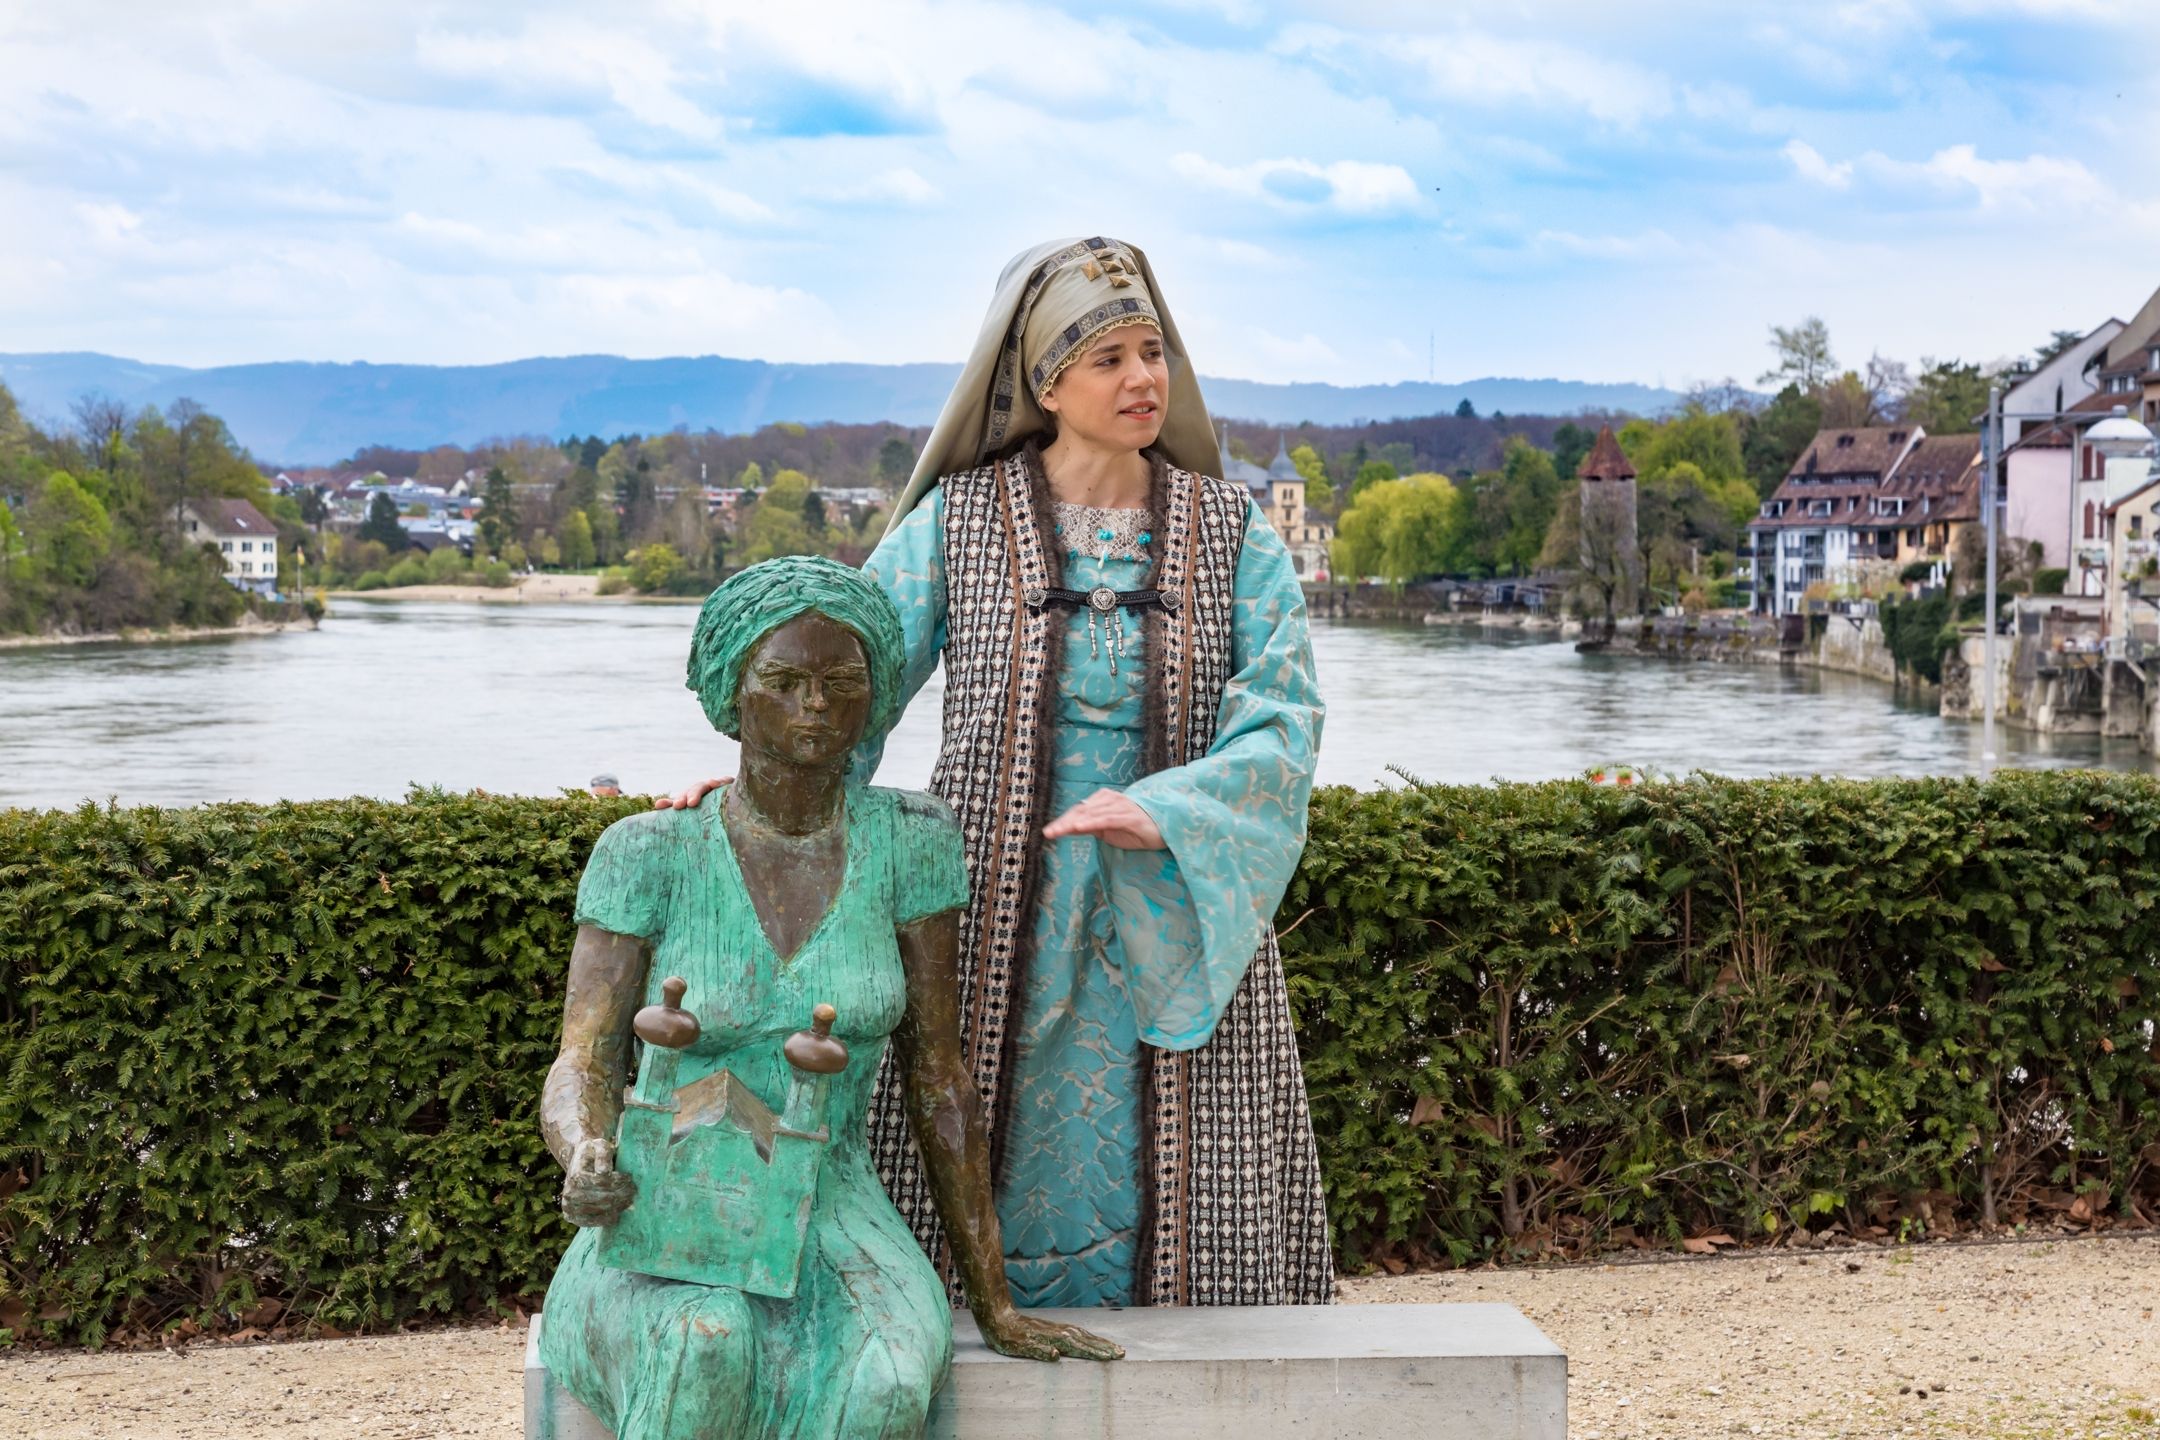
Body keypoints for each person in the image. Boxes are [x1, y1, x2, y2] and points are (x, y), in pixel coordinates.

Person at [663, 237, 1330, 1309]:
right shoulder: (961, 524)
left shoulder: (1232, 534)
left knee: (1181, 1165)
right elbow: (853, 672)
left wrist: (1171, 810)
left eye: (1152, 351)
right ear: (1045, 380)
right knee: (971, 1116)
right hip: (981, 902)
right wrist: (750, 788)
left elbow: (1285, 714)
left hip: (1176, 903)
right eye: (1108, 357)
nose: (1143, 379)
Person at [542, 557, 1116, 1440]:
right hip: (673, 1215)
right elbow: (583, 1056)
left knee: (883, 1386)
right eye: (786, 682)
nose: (816, 705)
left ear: (875, 699)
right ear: (734, 691)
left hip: (834, 1207)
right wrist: (586, 1148)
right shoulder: (646, 852)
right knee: (706, 1345)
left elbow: (939, 1079)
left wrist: (994, 1303)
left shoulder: (911, 841)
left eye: (842, 684)